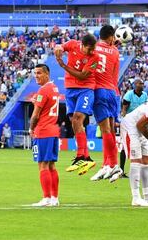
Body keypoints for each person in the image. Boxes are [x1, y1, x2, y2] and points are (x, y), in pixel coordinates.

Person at [54, 33, 99, 175]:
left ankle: (80, 156)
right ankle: (87, 158)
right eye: (89, 49)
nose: (92, 51)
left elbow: (82, 75)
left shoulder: (95, 57)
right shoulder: (73, 44)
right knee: (73, 121)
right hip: (70, 89)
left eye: (93, 48)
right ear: (82, 45)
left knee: (78, 118)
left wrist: (63, 65)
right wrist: (58, 48)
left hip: (86, 89)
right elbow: (61, 46)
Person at [90, 25, 122, 181]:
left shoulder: (94, 48)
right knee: (109, 130)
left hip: (99, 90)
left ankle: (114, 165)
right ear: (110, 36)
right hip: (112, 91)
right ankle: (106, 165)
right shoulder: (115, 51)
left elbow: (91, 68)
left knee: (105, 130)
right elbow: (115, 75)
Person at [29, 64, 62, 207]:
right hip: (53, 130)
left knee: (42, 165)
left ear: (47, 74)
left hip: (43, 131)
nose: (36, 76)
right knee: (51, 165)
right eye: (35, 73)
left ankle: (46, 198)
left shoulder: (43, 90)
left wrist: (31, 128)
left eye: (39, 73)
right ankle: (54, 198)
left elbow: (35, 115)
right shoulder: (54, 88)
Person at [111, 79, 148, 182]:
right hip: (129, 122)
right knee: (125, 146)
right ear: (135, 85)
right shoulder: (129, 94)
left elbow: (147, 108)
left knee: (142, 145)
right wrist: (123, 118)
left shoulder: (145, 95)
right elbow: (124, 108)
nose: (141, 85)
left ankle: (143, 172)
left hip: (140, 122)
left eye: (142, 83)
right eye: (139, 83)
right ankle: (121, 170)